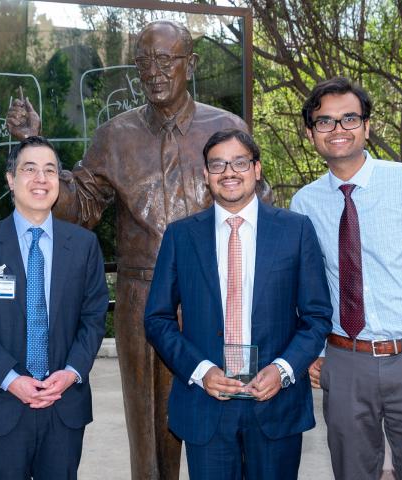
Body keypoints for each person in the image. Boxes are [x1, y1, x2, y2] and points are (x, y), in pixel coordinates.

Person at [6, 20, 272, 479]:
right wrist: (31, 143)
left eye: (166, 59)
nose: (155, 71)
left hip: (217, 287)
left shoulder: (226, 127)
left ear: (191, 64)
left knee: (230, 413)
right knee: (148, 432)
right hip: (142, 292)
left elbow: (258, 205)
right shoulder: (116, 135)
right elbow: (82, 204)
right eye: (145, 61)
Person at [144, 129, 332, 479]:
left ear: (256, 169)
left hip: (275, 402)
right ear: (206, 175)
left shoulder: (296, 230)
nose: (229, 172)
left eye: (239, 162)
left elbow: (317, 316)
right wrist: (201, 371)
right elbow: (157, 319)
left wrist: (283, 369)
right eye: (217, 164)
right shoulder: (181, 235)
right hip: (207, 402)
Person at [290, 77, 402, 480]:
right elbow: (309, 287)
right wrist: (314, 352)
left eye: (349, 118)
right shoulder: (304, 203)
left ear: (367, 126)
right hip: (346, 359)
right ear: (310, 133)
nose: (338, 129)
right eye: (325, 121)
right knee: (352, 472)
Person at [0, 136, 109, 480]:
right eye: (30, 169)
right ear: (11, 179)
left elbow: (94, 318)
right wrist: (12, 380)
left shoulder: (84, 246)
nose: (41, 178)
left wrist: (71, 372)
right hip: (1, 406)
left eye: (50, 170)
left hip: (64, 406)